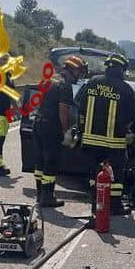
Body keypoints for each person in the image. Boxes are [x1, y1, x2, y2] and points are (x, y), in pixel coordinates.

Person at [78, 52, 135, 215]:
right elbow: (132, 115)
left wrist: (81, 129)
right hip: (114, 141)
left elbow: (81, 107)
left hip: (91, 140)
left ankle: (95, 204)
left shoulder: (92, 82)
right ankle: (115, 207)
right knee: (116, 175)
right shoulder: (125, 88)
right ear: (122, 69)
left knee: (94, 173)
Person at [34, 54, 87, 207]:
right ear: (71, 70)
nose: (79, 75)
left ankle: (40, 195)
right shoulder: (65, 86)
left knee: (40, 163)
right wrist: (66, 131)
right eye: (79, 72)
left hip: (38, 123)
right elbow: (63, 110)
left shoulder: (49, 82)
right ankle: (48, 197)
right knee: (51, 162)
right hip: (51, 127)